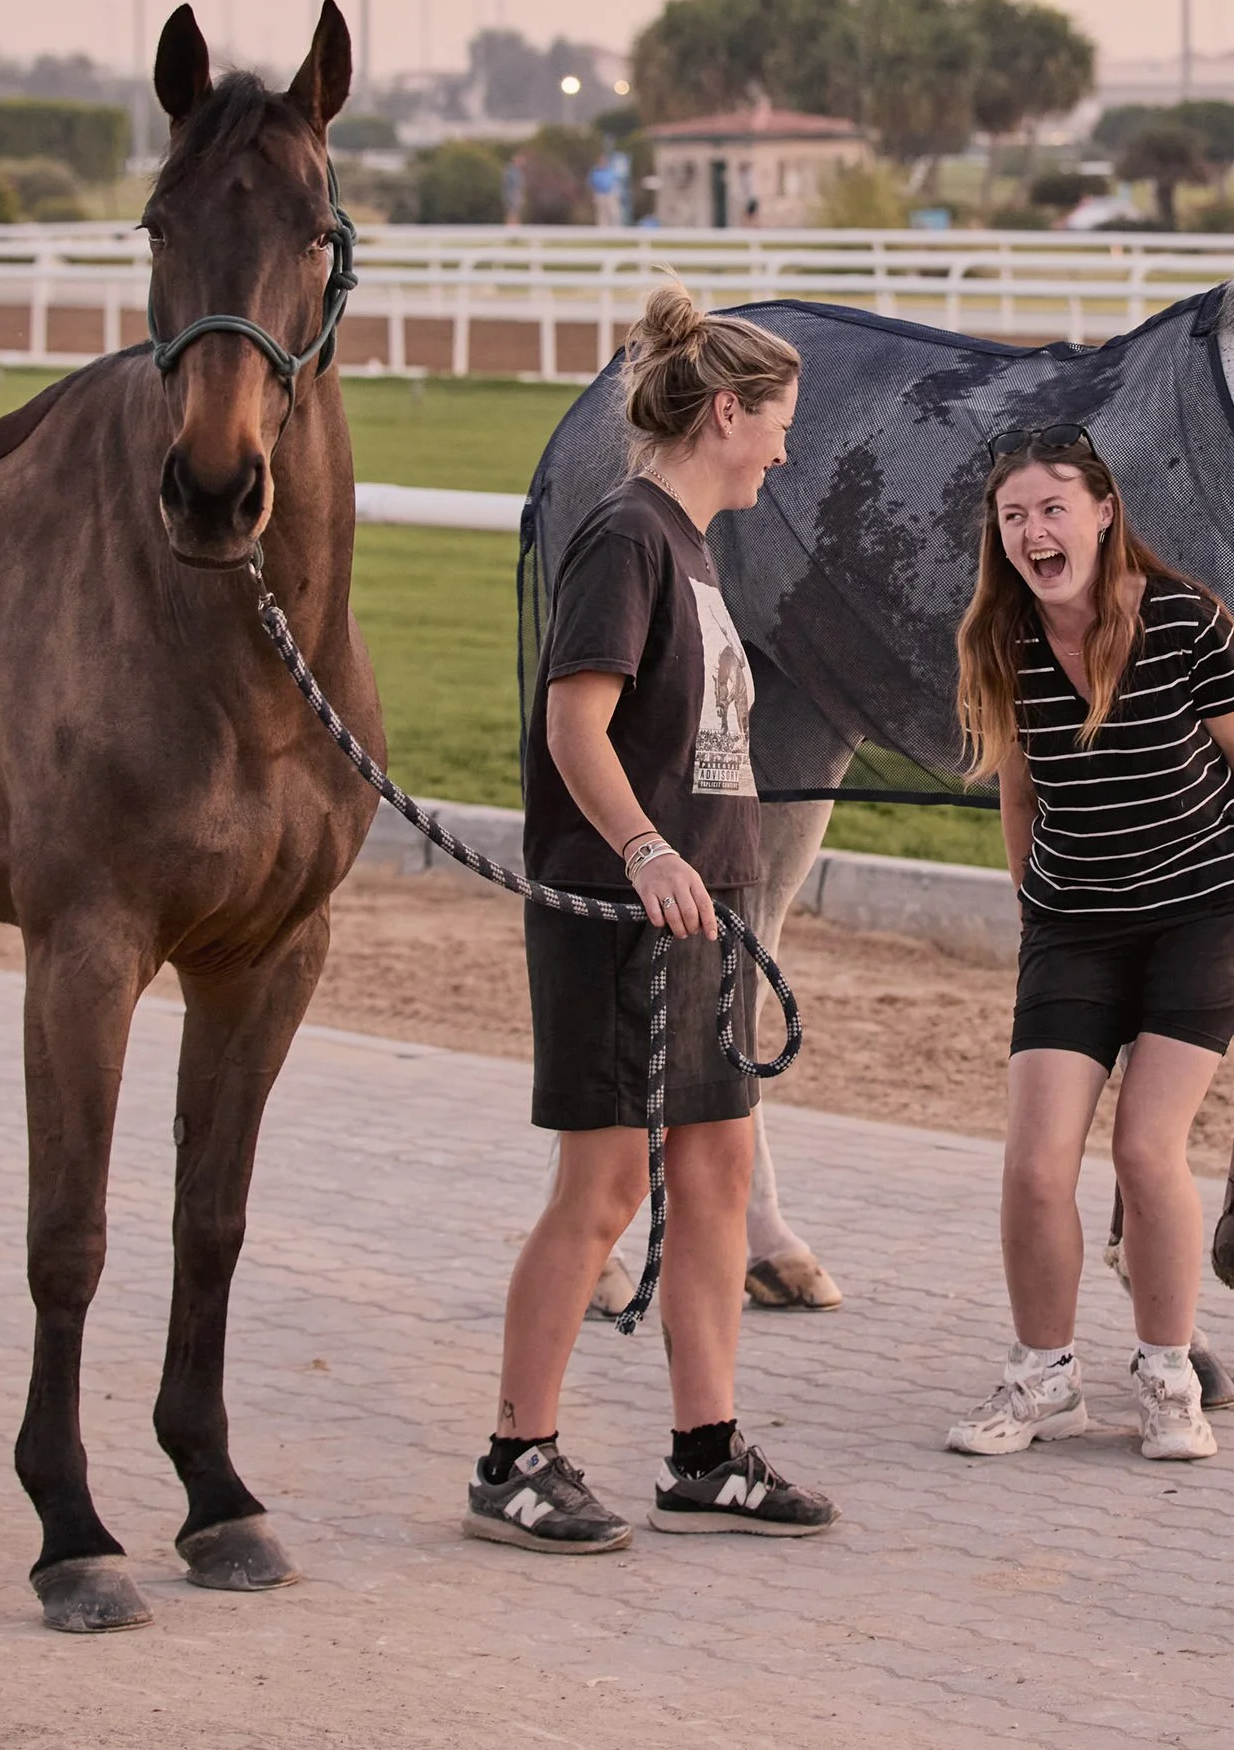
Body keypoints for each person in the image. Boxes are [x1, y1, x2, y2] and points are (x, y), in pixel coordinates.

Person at [463, 278, 838, 1554]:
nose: (789, 445)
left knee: (719, 1169)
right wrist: (641, 849)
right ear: (724, 410)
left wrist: (707, 877)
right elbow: (574, 719)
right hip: (620, 911)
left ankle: (703, 1451)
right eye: (779, 420)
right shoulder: (626, 534)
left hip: (704, 914)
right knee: (606, 1183)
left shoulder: (692, 542)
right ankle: (517, 1455)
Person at [945, 427, 1234, 1465]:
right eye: (1013, 515)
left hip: (1208, 912)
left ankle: (1166, 1373)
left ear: (1104, 511)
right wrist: (1032, 910)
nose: (1032, 531)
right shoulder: (1001, 638)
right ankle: (1043, 1375)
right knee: (1032, 1164)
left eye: (1051, 508)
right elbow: (1018, 793)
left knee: (1146, 1147)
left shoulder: (1187, 621)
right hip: (1075, 923)